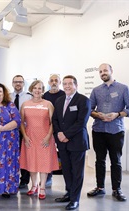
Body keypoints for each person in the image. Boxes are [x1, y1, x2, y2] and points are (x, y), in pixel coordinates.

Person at [87, 63, 129, 201]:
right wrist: (97, 115)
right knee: (99, 160)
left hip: (116, 130)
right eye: (100, 71)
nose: (103, 73)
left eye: (105, 70)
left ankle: (117, 189)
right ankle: (100, 187)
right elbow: (89, 109)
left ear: (111, 71)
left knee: (116, 161)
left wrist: (118, 114)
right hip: (99, 130)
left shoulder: (123, 88)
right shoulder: (96, 90)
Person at [52, 75, 91, 210]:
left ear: (76, 85)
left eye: (70, 84)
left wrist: (66, 134)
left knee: (77, 172)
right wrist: (59, 134)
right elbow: (55, 120)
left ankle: (75, 199)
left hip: (77, 142)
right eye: (65, 84)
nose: (67, 86)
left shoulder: (84, 100)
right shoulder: (59, 100)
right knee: (67, 171)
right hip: (63, 142)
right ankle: (69, 193)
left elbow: (81, 122)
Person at [19, 80, 59, 200]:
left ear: (43, 90)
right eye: (35, 88)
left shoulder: (48, 104)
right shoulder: (25, 104)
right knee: (31, 162)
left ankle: (42, 187)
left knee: (43, 162)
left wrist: (48, 136)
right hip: (29, 137)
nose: (37, 90)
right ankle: (34, 185)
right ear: (31, 89)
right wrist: (25, 137)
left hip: (45, 137)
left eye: (40, 88)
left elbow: (53, 122)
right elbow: (21, 122)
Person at [43, 74, 65, 186]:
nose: (54, 82)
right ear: (48, 82)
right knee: (48, 154)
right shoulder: (44, 96)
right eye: (51, 80)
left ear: (59, 82)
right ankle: (48, 176)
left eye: (56, 80)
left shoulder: (64, 94)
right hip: (48, 129)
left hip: (61, 129)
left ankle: (66, 177)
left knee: (63, 153)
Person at [10, 75, 32, 189]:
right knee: (12, 155)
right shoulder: (7, 97)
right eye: (15, 82)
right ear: (12, 83)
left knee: (24, 154)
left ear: (23, 83)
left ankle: (24, 180)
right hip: (10, 131)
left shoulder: (29, 97)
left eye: (20, 82)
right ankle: (12, 177)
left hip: (25, 130)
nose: (18, 84)